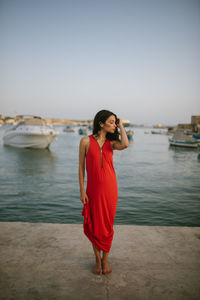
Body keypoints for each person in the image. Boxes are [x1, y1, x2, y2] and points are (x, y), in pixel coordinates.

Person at [78, 109, 129, 275]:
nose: (114, 125)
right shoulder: (85, 141)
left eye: (115, 122)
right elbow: (81, 168)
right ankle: (97, 261)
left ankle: (105, 260)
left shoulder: (112, 143)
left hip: (110, 190)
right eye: (111, 122)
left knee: (107, 225)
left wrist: (121, 125)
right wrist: (82, 191)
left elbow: (126, 144)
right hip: (92, 191)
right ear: (101, 123)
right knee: (94, 226)